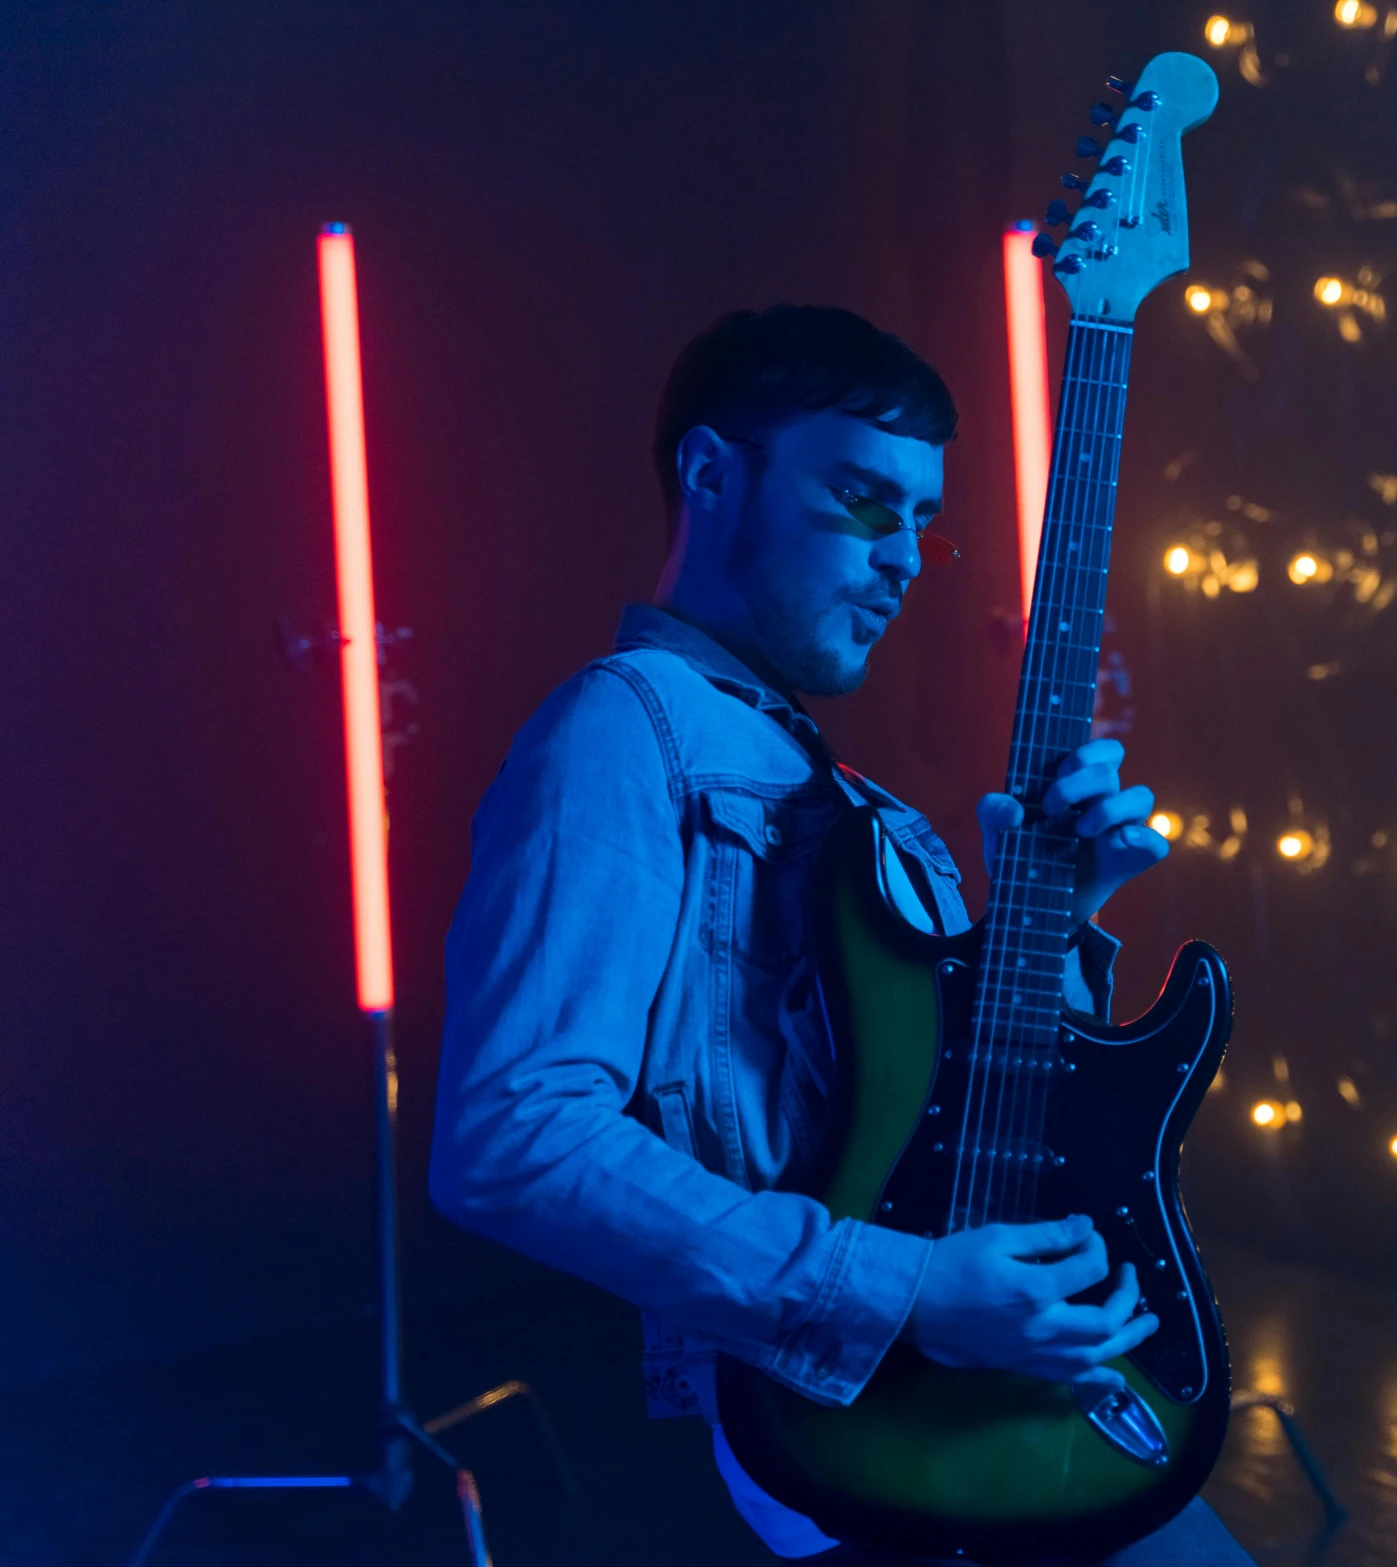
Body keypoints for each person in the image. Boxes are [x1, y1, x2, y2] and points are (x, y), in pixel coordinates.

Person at [429, 306, 1254, 1565]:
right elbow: (513, 1135)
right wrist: (910, 1292)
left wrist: (1065, 915)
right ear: (712, 475)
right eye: (866, 502)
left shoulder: (848, 793)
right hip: (833, 1428)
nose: (908, 558)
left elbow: (942, 1115)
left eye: (924, 518)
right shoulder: (622, 730)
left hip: (983, 1387)